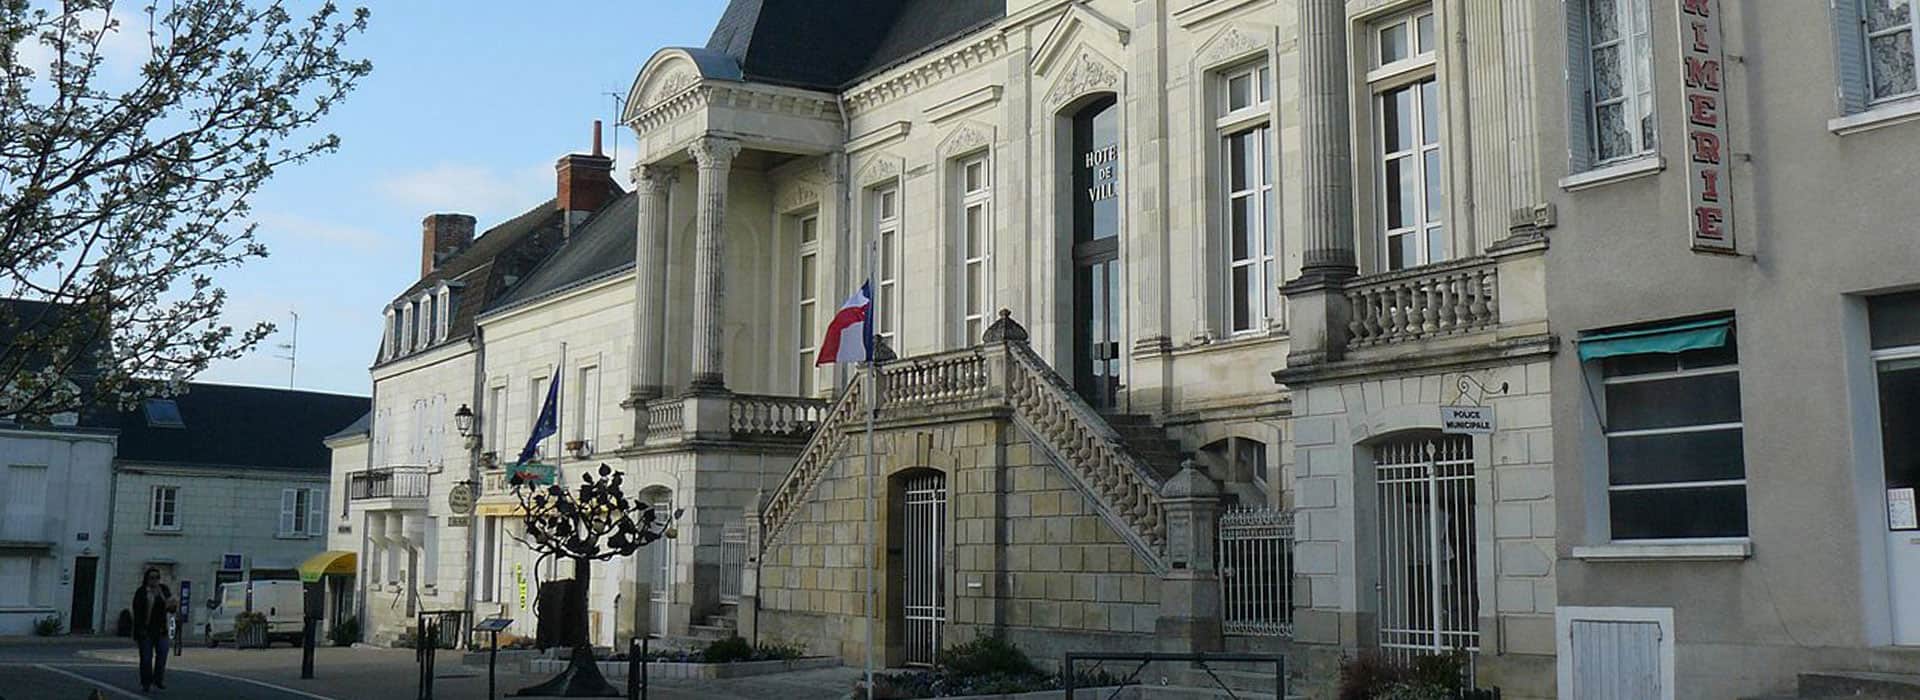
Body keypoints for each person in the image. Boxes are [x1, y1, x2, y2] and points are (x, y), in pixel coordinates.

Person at [130, 567, 176, 692]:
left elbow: (171, 607)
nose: (155, 580)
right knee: (146, 658)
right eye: (152, 578)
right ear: (147, 579)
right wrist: (139, 629)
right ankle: (146, 682)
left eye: (157, 577)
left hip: (161, 629)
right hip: (146, 630)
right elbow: (137, 611)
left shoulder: (163, 590)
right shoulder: (141, 592)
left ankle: (158, 679)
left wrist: (168, 601)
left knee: (162, 655)